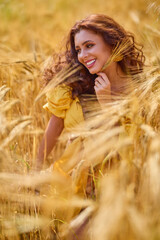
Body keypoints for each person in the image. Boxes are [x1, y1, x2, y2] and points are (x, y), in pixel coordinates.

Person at [36, 14, 145, 197]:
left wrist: (107, 104)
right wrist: (34, 174)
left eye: (89, 46)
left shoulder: (142, 92)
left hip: (117, 189)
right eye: (78, 49)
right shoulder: (76, 83)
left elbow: (134, 149)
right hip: (68, 182)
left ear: (112, 44)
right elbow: (54, 128)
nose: (82, 56)